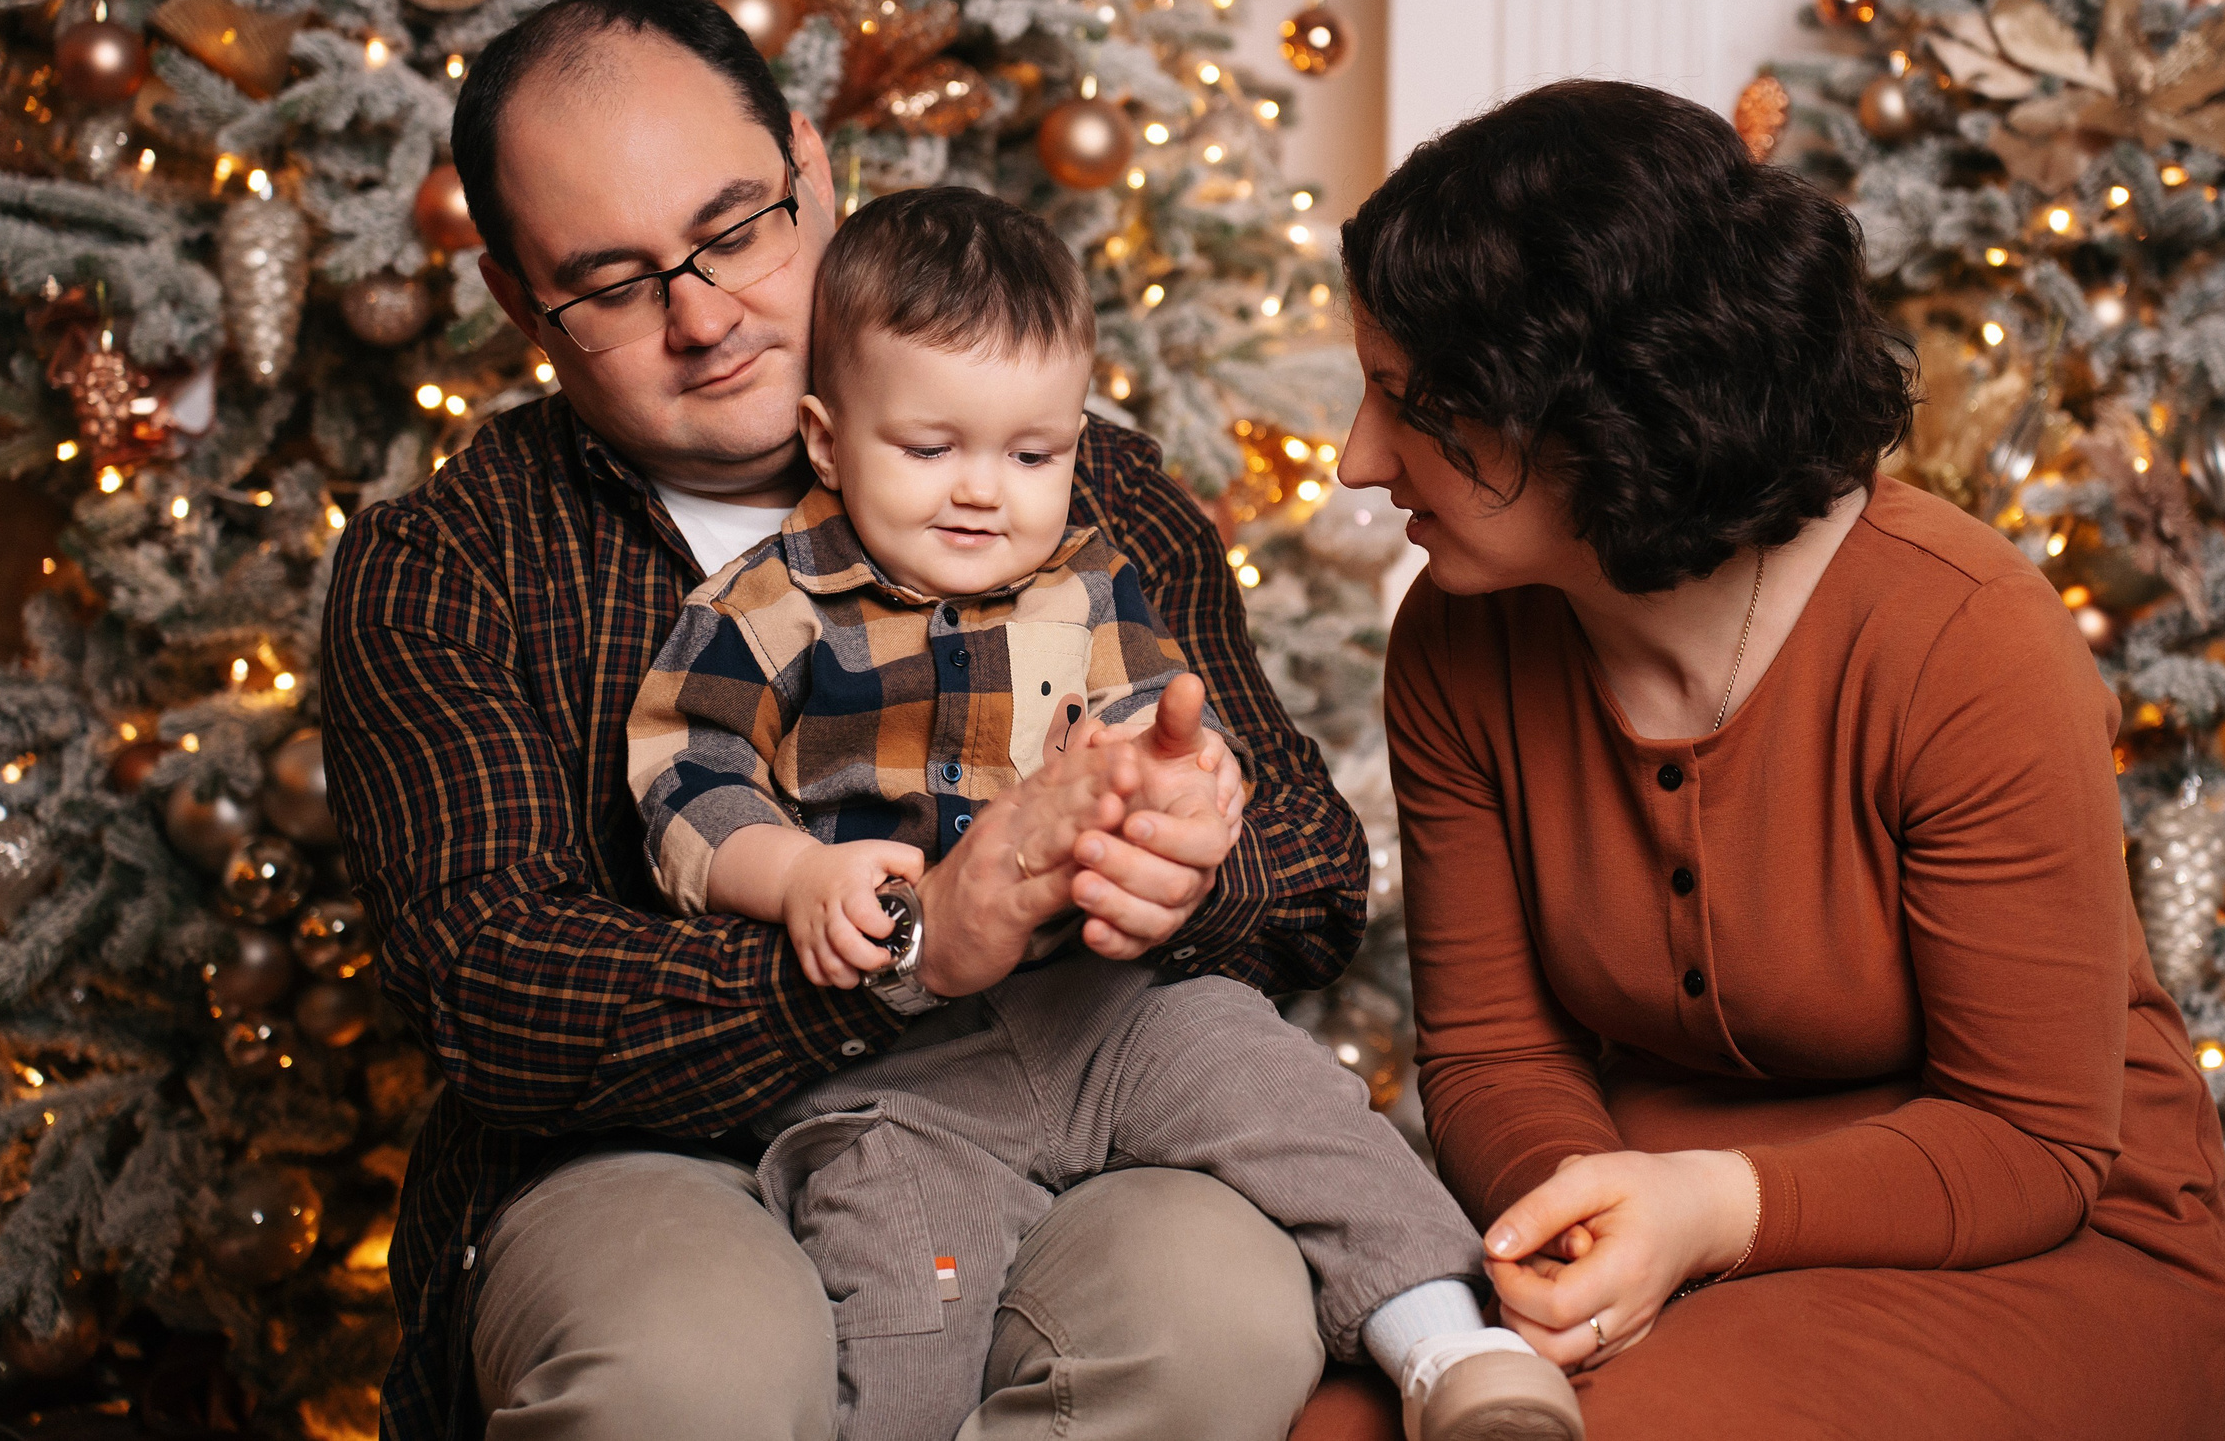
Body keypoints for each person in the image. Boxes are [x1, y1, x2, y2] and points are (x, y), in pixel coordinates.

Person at [321, 0, 1366, 1441]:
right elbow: (491, 989)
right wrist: (908, 946)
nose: (702, 316)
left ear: (812, 172)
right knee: (695, 1370)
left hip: (1049, 1097)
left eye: (735, 226)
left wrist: (1185, 856)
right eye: (612, 283)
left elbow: (1316, 875)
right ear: (516, 299)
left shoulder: (1074, 484)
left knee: (1218, 1306)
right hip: (651, 1159)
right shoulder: (447, 561)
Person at [1290, 79, 2225, 1441]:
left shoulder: (1967, 637)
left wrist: (1705, 1210)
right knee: (1339, 1426)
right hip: (1640, 1199)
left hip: (2037, 1232)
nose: (1354, 457)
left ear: (1596, 408)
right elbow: (1493, 1050)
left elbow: (2034, 1139)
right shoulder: (1454, 640)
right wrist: (1587, 1222)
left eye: (1410, 405)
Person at [622, 184, 1582, 1441]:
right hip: (898, 1073)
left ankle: (1454, 1355)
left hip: (1112, 1012)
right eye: (930, 450)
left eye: (1033, 454)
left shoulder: (1090, 583)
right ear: (824, 439)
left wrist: (1190, 794)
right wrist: (796, 879)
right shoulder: (770, 608)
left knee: (1296, 1110)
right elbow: (682, 777)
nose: (984, 493)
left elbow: (1162, 727)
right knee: (908, 1291)